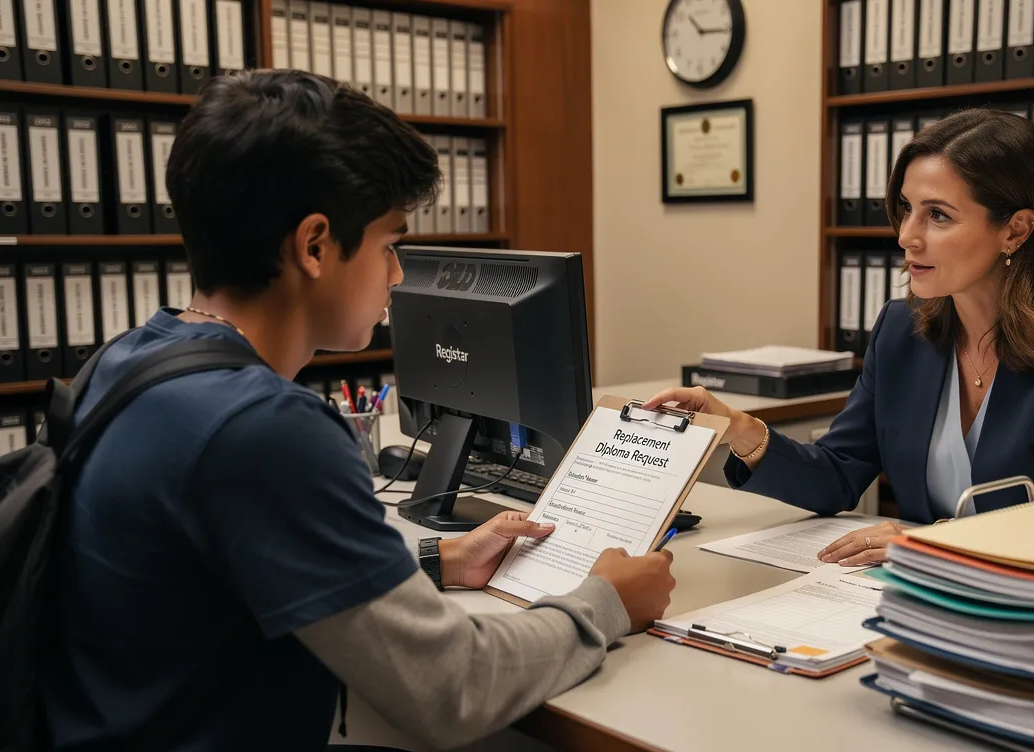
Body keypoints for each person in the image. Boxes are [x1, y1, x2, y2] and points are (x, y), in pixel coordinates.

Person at [38, 69, 675, 751]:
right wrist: (606, 602)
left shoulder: (130, 359)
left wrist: (437, 563)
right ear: (315, 245)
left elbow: (215, 580)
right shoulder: (262, 430)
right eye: (388, 244)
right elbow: (451, 688)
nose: (398, 277)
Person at [645, 107, 1034, 568]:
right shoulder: (903, 330)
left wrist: (938, 545)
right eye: (907, 208)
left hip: (1030, 612)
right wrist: (738, 428)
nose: (906, 236)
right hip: (908, 595)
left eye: (937, 215)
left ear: (1016, 231)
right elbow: (839, 474)